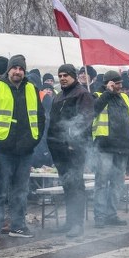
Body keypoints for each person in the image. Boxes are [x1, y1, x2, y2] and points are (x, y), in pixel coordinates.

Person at [0, 54, 45, 241]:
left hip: (25, 151)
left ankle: (18, 226)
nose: (18, 71)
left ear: (24, 71)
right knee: (0, 191)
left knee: (21, 191)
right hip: (2, 150)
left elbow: (40, 117)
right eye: (15, 68)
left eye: (21, 68)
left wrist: (34, 140)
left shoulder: (32, 89)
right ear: (8, 70)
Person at [48, 64, 95, 237]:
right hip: (58, 147)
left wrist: (72, 141)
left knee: (76, 185)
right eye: (60, 75)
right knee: (67, 185)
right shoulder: (59, 95)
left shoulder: (82, 94)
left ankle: (77, 224)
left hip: (74, 148)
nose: (62, 78)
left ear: (73, 76)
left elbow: (84, 120)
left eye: (66, 75)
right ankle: (69, 221)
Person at [90, 70, 129, 228]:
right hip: (104, 147)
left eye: (120, 83)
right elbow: (93, 111)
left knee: (117, 183)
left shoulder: (124, 97)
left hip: (122, 147)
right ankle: (100, 216)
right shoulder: (97, 95)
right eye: (116, 83)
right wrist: (107, 93)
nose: (120, 86)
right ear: (108, 83)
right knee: (102, 182)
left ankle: (112, 214)